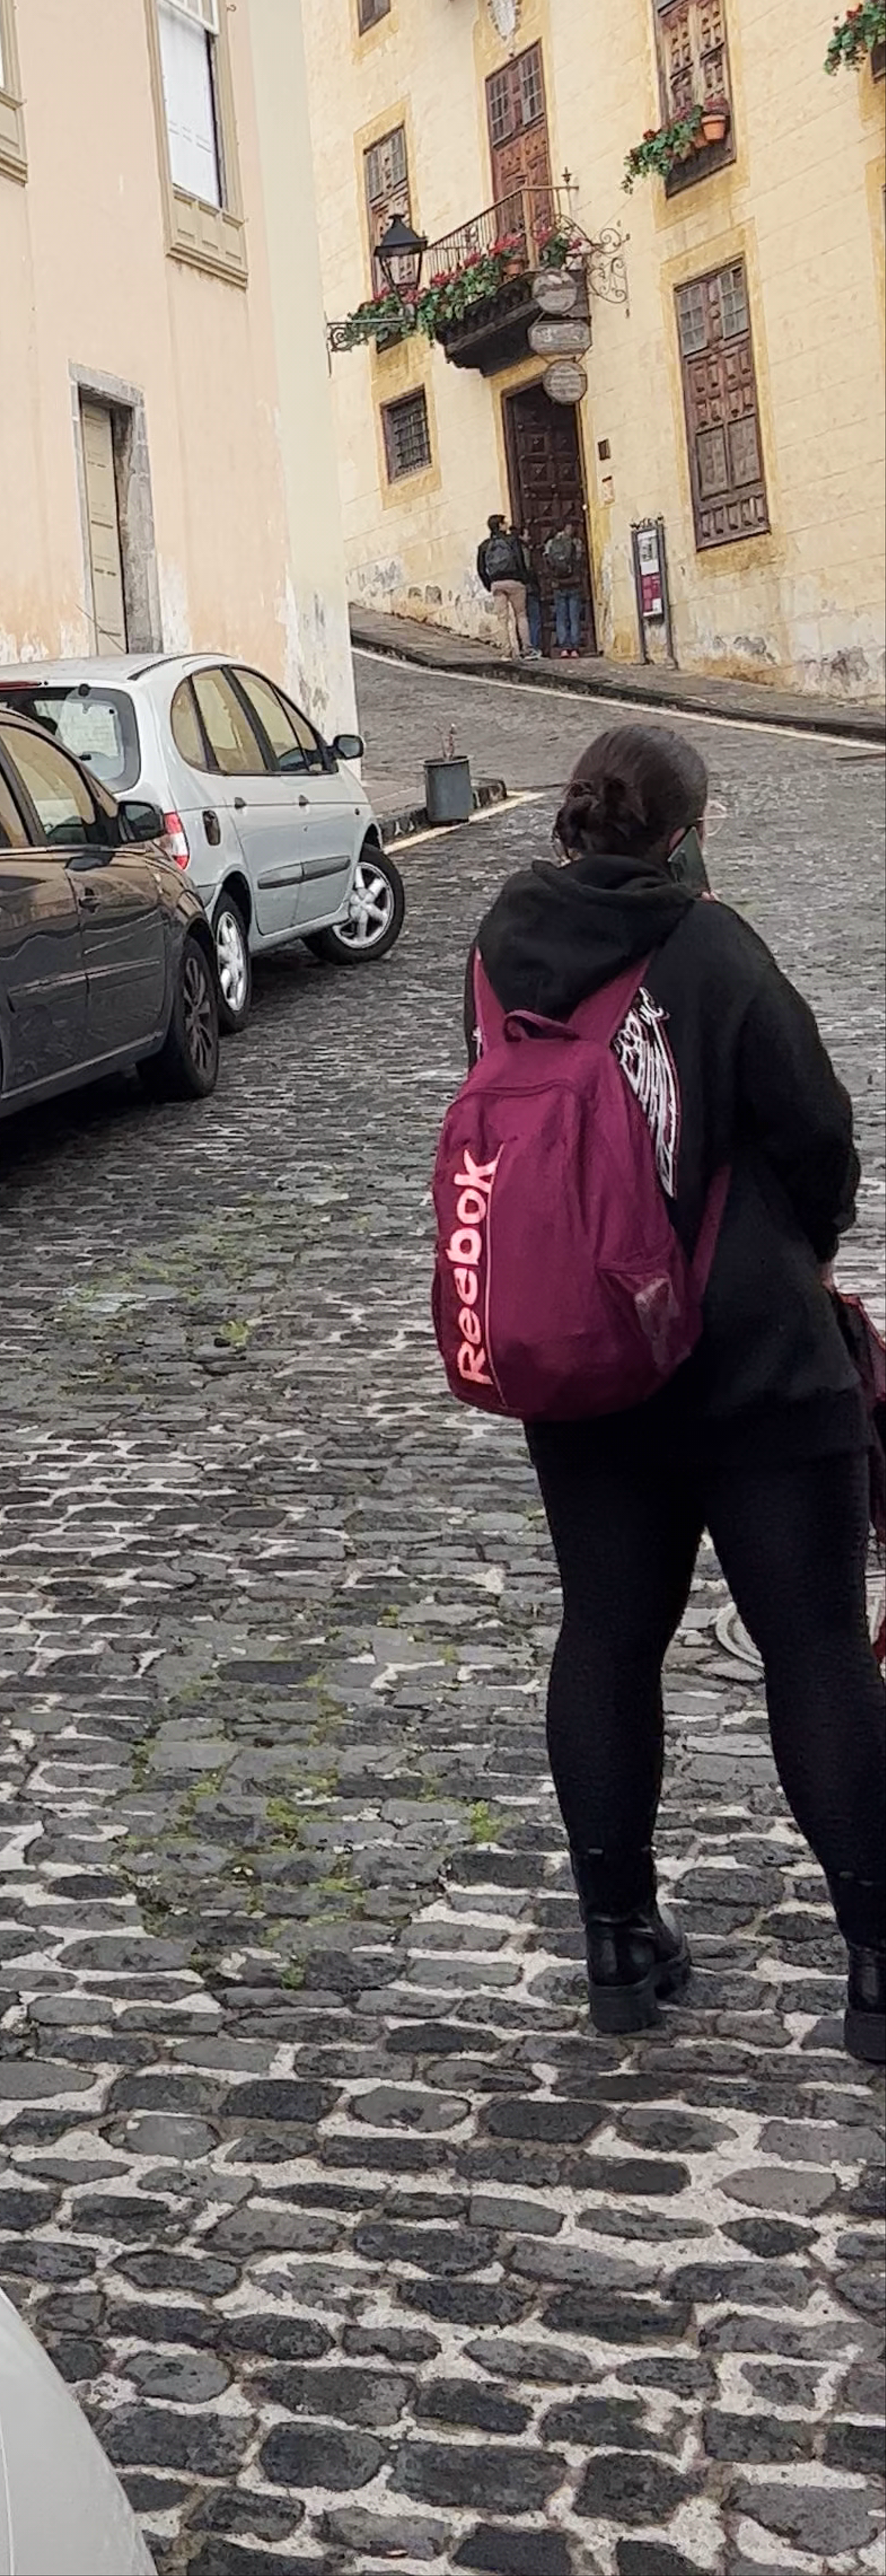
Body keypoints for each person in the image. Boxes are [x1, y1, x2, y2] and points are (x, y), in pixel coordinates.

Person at [466, 722, 884, 2064]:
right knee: (815, 1643)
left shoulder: (496, 946)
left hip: (587, 1360)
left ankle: (618, 1939)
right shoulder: (712, 944)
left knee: (607, 1630)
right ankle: (879, 1966)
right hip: (756, 1358)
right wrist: (806, 1250)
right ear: (687, 828)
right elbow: (816, 1128)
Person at [475, 513, 536, 658]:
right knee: (521, 615)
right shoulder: (512, 540)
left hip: (497, 583)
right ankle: (527, 650)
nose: (507, 524)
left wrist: (489, 584)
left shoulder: (484, 546)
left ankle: (506, 652)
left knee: (502, 619)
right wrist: (524, 580)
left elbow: (481, 569)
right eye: (505, 522)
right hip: (514, 581)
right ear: (501, 526)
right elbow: (520, 561)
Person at [539, 516, 588, 658]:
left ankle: (564, 648)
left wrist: (552, 579)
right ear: (567, 528)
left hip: (558, 585)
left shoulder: (550, 544)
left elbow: (547, 563)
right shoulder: (576, 543)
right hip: (573, 583)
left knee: (561, 617)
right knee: (574, 616)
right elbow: (580, 561)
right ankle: (575, 648)